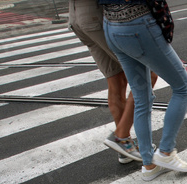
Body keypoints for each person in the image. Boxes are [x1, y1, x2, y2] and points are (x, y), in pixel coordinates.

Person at [98, 0, 187, 181]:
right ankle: (165, 152)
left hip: (110, 26)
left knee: (141, 95)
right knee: (184, 87)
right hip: (137, 23)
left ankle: (149, 164)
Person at [68, 0, 158, 164]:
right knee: (147, 74)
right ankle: (121, 137)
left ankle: (124, 148)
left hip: (77, 16)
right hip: (98, 14)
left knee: (116, 78)